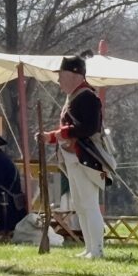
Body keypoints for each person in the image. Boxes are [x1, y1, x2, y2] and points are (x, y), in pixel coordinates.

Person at [42, 51, 108, 259]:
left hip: (86, 156)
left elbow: (89, 128)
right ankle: (89, 248)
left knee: (89, 204)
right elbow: (72, 129)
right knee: (80, 204)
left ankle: (97, 250)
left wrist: (58, 134)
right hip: (74, 157)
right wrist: (53, 137)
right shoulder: (75, 97)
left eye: (62, 75)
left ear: (74, 75)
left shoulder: (87, 97)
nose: (59, 80)